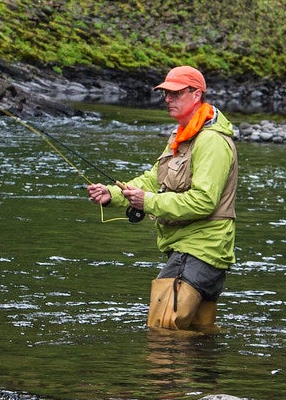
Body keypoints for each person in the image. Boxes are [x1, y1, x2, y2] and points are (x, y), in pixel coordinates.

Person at [87, 66, 238, 329]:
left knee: (162, 329)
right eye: (165, 94)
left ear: (196, 94)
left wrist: (148, 202)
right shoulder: (182, 136)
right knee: (198, 336)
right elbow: (153, 179)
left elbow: (204, 201)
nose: (167, 99)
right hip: (189, 250)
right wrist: (111, 194)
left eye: (175, 94)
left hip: (201, 249)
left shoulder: (211, 141)